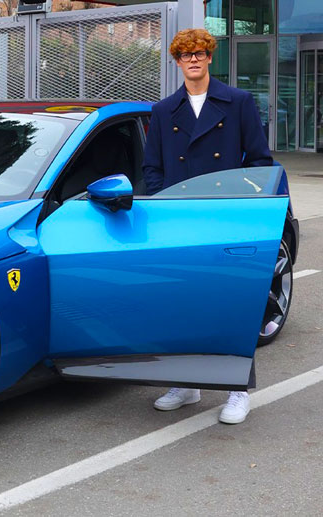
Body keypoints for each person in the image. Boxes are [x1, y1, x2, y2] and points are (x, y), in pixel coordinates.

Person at [143, 28, 272, 424]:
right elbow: (153, 167)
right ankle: (186, 384)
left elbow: (260, 160)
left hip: (225, 218)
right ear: (177, 62)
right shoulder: (164, 110)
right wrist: (165, 208)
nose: (193, 60)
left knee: (231, 303)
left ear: (209, 57)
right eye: (185, 55)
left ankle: (236, 390)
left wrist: (244, 206)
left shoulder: (237, 102)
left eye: (199, 53)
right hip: (180, 220)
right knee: (180, 302)